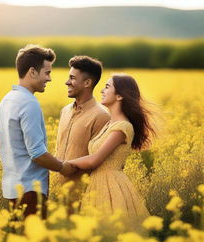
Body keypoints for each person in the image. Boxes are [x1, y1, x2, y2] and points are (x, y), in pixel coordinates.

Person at [66, 73, 156, 228]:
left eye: (107, 87)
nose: (102, 90)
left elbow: (94, 159)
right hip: (96, 184)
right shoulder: (109, 124)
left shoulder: (122, 127)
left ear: (120, 96)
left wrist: (64, 164)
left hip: (111, 187)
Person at [0, 44, 75, 219]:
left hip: (12, 188)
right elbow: (37, 153)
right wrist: (64, 168)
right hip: (30, 189)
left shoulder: (7, 100)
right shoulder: (28, 103)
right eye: (47, 73)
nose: (49, 79)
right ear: (32, 72)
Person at [55, 56, 110, 210]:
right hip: (58, 192)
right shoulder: (65, 111)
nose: (67, 82)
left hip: (83, 197)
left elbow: (100, 161)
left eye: (72, 78)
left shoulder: (102, 116)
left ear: (87, 83)